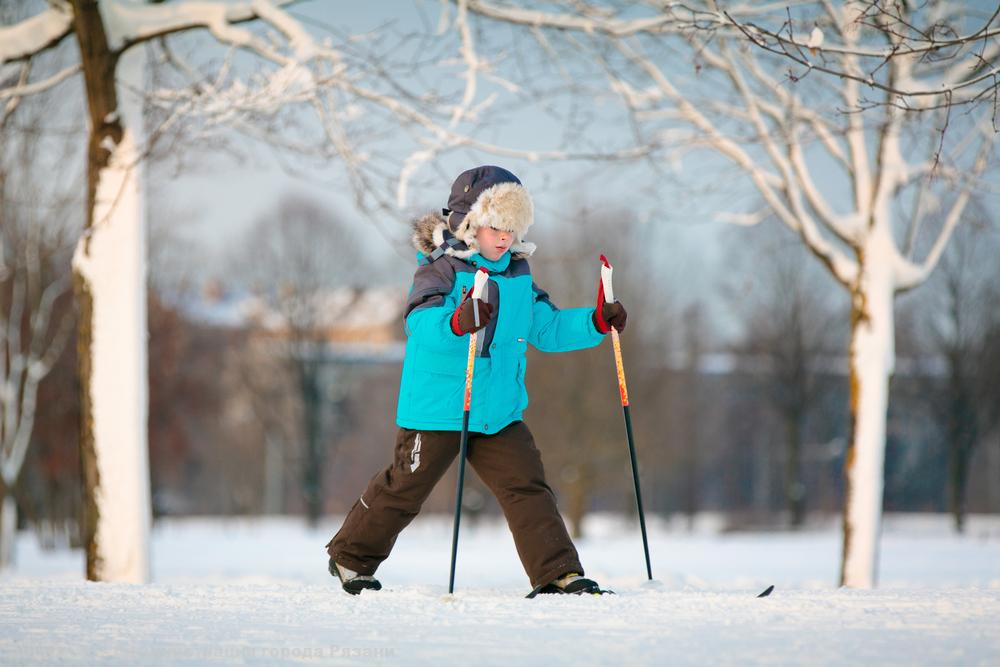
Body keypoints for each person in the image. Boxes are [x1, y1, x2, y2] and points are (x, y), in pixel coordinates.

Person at [325, 165, 627, 596]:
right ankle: (351, 557)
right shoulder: (442, 270)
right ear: (469, 225)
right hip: (438, 407)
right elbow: (420, 323)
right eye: (496, 226)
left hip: (498, 410)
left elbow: (547, 328)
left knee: (527, 487)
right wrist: (456, 322)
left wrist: (597, 322)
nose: (505, 236)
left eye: (513, 227)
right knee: (405, 487)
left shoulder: (519, 274)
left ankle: (558, 573)